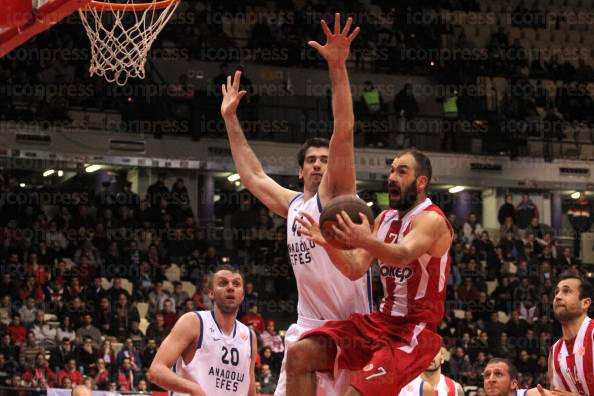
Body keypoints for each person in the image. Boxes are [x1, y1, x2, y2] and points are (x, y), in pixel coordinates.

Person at [221, 13, 368, 396]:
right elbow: (252, 176)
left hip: (352, 326)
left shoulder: (336, 199)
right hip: (308, 325)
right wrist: (230, 120)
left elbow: (345, 130)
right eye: (312, 161)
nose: (320, 164)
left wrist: (338, 67)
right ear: (301, 171)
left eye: (324, 159)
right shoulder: (293, 207)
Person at [292, 149, 452, 396]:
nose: (391, 178)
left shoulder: (431, 220)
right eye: (391, 171)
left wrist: (366, 240)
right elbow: (354, 268)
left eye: (401, 172)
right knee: (299, 354)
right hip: (379, 323)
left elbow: (402, 255)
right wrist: (328, 243)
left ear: (421, 182)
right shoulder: (384, 219)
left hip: (413, 332)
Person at [149, 265, 257, 395]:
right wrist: (194, 389)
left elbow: (249, 387)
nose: (230, 287)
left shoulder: (249, 336)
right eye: (223, 283)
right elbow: (156, 371)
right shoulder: (193, 322)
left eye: (236, 284)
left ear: (242, 295)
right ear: (211, 293)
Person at [398, 348, 464, 396]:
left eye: (435, 352)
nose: (430, 356)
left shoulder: (456, 388)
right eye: (426, 353)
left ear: (442, 358)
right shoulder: (403, 387)